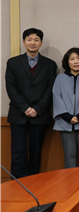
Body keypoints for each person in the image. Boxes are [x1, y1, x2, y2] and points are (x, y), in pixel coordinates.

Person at [5, 28, 57, 178]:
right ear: (24, 42)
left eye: (36, 40)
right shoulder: (13, 62)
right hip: (18, 114)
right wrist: (25, 108)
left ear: (41, 43)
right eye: (29, 39)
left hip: (39, 115)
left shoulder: (50, 65)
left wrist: (37, 109)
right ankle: (17, 183)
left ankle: (33, 182)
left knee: (36, 152)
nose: (32, 42)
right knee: (18, 151)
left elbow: (50, 89)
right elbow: (11, 87)